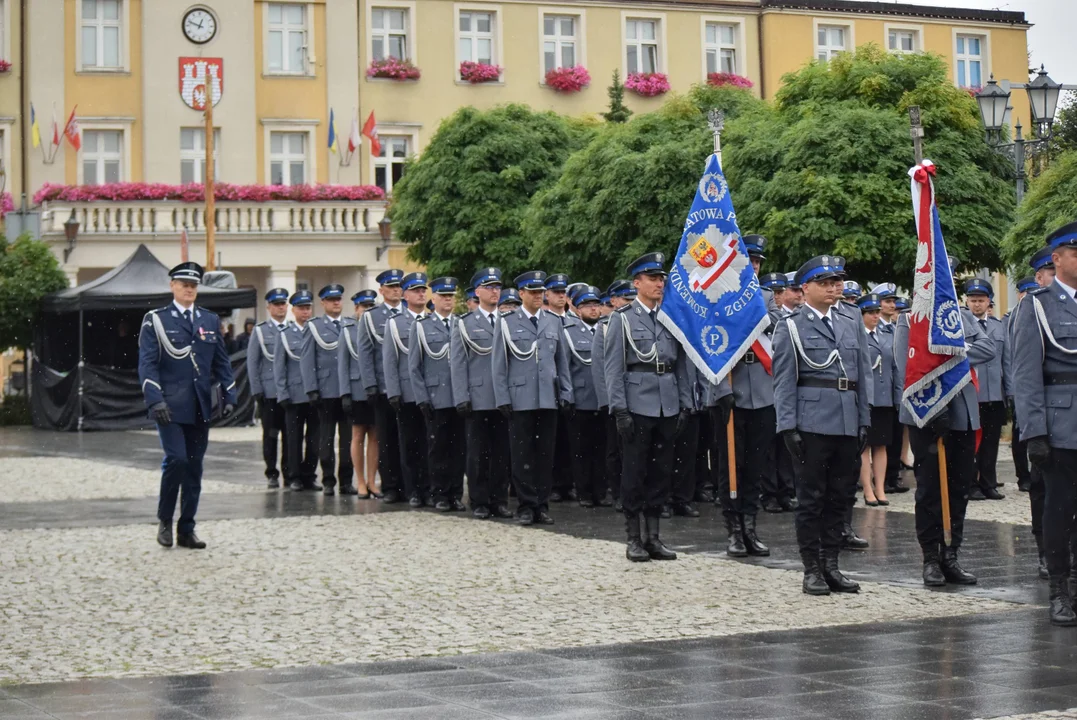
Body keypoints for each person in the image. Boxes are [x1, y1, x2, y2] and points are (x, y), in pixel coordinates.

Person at [773, 256, 870, 595]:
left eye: (837, 281)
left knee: (841, 498)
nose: (834, 288)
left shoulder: (850, 317)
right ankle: (812, 569)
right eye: (826, 283)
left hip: (847, 418)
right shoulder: (791, 325)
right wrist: (788, 426)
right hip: (811, 421)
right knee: (811, 499)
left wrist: (864, 419)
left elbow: (862, 373)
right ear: (805, 288)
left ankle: (832, 565)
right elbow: (784, 380)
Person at [894, 280, 994, 589]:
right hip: (927, 414)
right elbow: (904, 366)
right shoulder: (910, 319)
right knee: (930, 489)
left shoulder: (960, 318)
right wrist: (931, 405)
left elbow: (988, 348)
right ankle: (931, 558)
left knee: (959, 486)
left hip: (962, 413)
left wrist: (952, 348)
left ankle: (951, 554)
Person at [139, 262, 236, 549]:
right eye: (184, 284)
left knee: (194, 468)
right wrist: (154, 399)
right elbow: (147, 364)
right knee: (177, 460)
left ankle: (187, 527)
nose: (190, 289)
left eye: (193, 285)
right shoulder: (156, 319)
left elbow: (221, 361)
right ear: (173, 286)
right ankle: (165, 520)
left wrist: (230, 396)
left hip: (199, 406)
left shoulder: (208, 320)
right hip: (168, 405)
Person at [604, 253, 693, 562]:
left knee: (660, 472)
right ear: (637, 283)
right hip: (637, 402)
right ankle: (633, 537)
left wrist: (685, 403)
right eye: (653, 279)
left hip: (667, 402)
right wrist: (620, 410)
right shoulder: (623, 317)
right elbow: (613, 368)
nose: (659, 284)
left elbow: (680, 365)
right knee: (634, 471)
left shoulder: (670, 317)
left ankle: (653, 537)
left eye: (661, 279)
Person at [1012, 223, 1077, 625]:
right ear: (1057, 258)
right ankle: (1060, 589)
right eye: (1075, 252)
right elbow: (1026, 374)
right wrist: (1033, 431)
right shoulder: (1036, 305)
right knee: (1059, 510)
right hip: (1061, 425)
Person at [493, 271, 573, 526]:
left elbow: (562, 361)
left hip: (548, 397)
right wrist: (502, 396)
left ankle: (541, 504)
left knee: (544, 454)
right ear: (521, 294)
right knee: (522, 454)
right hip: (520, 397)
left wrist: (566, 392)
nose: (538, 296)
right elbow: (499, 364)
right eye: (533, 292)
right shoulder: (506, 321)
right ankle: (526, 506)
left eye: (541, 292)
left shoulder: (553, 321)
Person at [452, 268, 513, 520]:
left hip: (504, 398)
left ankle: (499, 499)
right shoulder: (465, 324)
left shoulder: (510, 321)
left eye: (497, 286)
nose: (495, 291)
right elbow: (457, 364)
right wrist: (461, 396)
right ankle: (479, 500)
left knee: (502, 452)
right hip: (477, 397)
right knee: (477, 452)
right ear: (477, 292)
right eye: (489, 287)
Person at [411, 276, 466, 512]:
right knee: (438, 449)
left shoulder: (461, 324)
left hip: (459, 396)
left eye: (451, 296)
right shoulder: (422, 326)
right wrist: (422, 397)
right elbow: (414, 367)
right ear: (434, 299)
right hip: (436, 397)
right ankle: (439, 493)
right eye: (443, 296)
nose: (448, 300)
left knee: (459, 448)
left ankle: (455, 493)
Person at [302, 284, 355, 496]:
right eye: (331, 299)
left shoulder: (350, 324)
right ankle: (328, 480)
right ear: (323, 303)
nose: (336, 303)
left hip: (348, 389)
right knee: (325, 438)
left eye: (339, 299)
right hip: (325, 390)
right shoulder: (314, 326)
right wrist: (311, 388)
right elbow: (307, 360)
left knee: (347, 439)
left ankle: (346, 481)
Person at [384, 272, 432, 507]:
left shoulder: (433, 320)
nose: (421, 293)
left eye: (423, 289)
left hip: (432, 392)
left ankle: (431, 488)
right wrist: (393, 392)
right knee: (410, 444)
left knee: (432, 443)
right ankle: (413, 489)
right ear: (405, 295)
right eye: (415, 290)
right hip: (407, 392)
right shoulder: (395, 323)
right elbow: (390, 361)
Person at [358, 269, 406, 503]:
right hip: (384, 387)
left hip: (409, 388)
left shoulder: (411, 312)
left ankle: (410, 484)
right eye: (391, 286)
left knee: (410, 439)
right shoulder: (372, 316)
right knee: (387, 439)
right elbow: (366, 354)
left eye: (399, 285)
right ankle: (391, 486)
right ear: (382, 291)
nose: (396, 289)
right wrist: (370, 386)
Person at [563, 285, 609, 507]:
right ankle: (583, 492)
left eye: (596, 305)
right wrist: (568, 396)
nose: (593, 309)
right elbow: (565, 367)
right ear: (577, 309)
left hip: (603, 399)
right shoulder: (568, 331)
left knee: (602, 449)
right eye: (587, 305)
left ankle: (600, 491)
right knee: (580, 449)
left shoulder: (607, 329)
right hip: (580, 399)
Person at [964, 278, 1008, 501]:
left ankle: (988, 483)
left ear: (989, 302)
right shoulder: (963, 326)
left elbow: (1006, 362)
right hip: (973, 393)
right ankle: (971, 483)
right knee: (972, 442)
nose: (977, 305)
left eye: (981, 300)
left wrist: (1008, 392)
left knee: (991, 442)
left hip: (994, 393)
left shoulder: (998, 326)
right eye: (973, 300)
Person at [275, 290, 321, 492]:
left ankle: (309, 475)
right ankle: (293, 476)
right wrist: (282, 392)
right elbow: (279, 366)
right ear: (293, 310)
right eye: (301, 308)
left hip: (316, 394)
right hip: (294, 395)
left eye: (308, 307)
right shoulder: (285, 334)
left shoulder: (318, 331)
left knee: (314, 439)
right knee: (293, 438)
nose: (305, 311)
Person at [247, 288, 290, 489]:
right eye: (277, 304)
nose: (281, 307)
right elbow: (253, 362)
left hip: (290, 392)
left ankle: (290, 472)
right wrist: (257, 390)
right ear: (269, 307)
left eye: (283, 304)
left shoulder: (293, 328)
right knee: (271, 435)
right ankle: (272, 472)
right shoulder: (260, 330)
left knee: (291, 435)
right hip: (270, 392)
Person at [857, 293, 898, 506]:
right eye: (870, 313)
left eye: (876, 312)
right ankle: (867, 488)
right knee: (865, 446)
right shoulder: (857, 336)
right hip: (866, 399)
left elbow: (895, 367)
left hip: (884, 398)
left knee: (881, 445)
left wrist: (897, 396)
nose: (875, 316)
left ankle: (880, 488)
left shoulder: (886, 334)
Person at [340, 290, 380, 498]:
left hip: (375, 388)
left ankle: (373, 481)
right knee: (357, 436)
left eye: (370, 307)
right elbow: (343, 364)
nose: (367, 311)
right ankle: (361, 482)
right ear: (356, 309)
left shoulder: (377, 328)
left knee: (375, 436)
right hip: (356, 390)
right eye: (364, 307)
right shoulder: (348, 330)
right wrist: (345, 392)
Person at [543, 272, 577, 504]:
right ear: (546, 295)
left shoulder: (575, 322)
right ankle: (555, 484)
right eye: (556, 292)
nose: (560, 296)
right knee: (552, 442)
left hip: (575, 390)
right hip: (550, 389)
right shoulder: (543, 320)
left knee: (571, 441)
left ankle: (569, 482)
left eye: (563, 292)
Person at [1008, 275, 1040, 495]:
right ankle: (1023, 476)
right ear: (1019, 294)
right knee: (1021, 435)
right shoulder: (1011, 319)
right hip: (1020, 385)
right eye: (1025, 293)